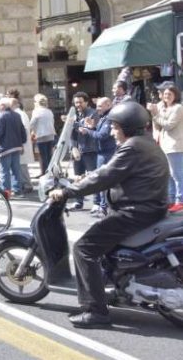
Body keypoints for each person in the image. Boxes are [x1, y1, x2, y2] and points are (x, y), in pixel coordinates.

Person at [49, 101, 169, 328]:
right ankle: (108, 287)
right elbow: (109, 171)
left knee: (84, 249)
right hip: (149, 208)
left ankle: (95, 311)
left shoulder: (132, 147)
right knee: (104, 248)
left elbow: (106, 176)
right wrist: (83, 177)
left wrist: (66, 192)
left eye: (115, 127)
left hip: (135, 211)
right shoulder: (145, 143)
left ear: (128, 127)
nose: (112, 132)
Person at [79, 97, 117, 217]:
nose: (97, 109)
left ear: (108, 104)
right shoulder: (104, 117)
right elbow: (99, 131)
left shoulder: (109, 117)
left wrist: (87, 131)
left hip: (106, 153)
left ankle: (104, 207)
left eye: (100, 106)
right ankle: (103, 206)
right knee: (102, 181)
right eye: (97, 106)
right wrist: (92, 127)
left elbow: (102, 135)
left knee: (103, 181)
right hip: (102, 152)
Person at [148, 85, 183, 212]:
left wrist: (156, 114)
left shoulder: (178, 108)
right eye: (165, 94)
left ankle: (180, 200)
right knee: (169, 174)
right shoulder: (163, 107)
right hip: (164, 144)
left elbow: (169, 125)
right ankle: (171, 199)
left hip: (175, 145)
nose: (167, 96)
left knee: (177, 174)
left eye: (170, 94)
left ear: (175, 96)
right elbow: (156, 124)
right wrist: (155, 112)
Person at [69, 92, 99, 210]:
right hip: (78, 150)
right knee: (78, 177)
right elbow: (71, 134)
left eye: (80, 102)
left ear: (86, 102)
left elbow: (89, 128)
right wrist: (73, 147)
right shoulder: (75, 114)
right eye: (76, 102)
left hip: (90, 150)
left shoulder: (93, 114)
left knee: (93, 177)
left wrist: (73, 123)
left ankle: (96, 202)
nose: (78, 105)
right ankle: (78, 201)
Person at [0, 98, 26, 197]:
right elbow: (22, 130)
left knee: (4, 171)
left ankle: (6, 192)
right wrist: (22, 142)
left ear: (3, 105)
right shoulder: (17, 115)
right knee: (16, 170)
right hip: (16, 146)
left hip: (5, 147)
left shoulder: (1, 116)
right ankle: (18, 191)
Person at [10, 98, 34, 194]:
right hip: (21, 144)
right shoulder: (20, 113)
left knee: (22, 165)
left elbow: (21, 130)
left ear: (16, 104)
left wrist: (20, 144)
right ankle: (24, 184)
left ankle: (27, 185)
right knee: (20, 165)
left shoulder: (19, 114)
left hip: (21, 144)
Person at [29, 94, 56, 175]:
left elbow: (32, 124)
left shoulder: (36, 111)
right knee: (49, 155)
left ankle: (45, 173)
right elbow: (52, 122)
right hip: (50, 134)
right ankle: (50, 172)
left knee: (43, 155)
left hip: (41, 135)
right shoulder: (49, 111)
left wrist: (32, 131)